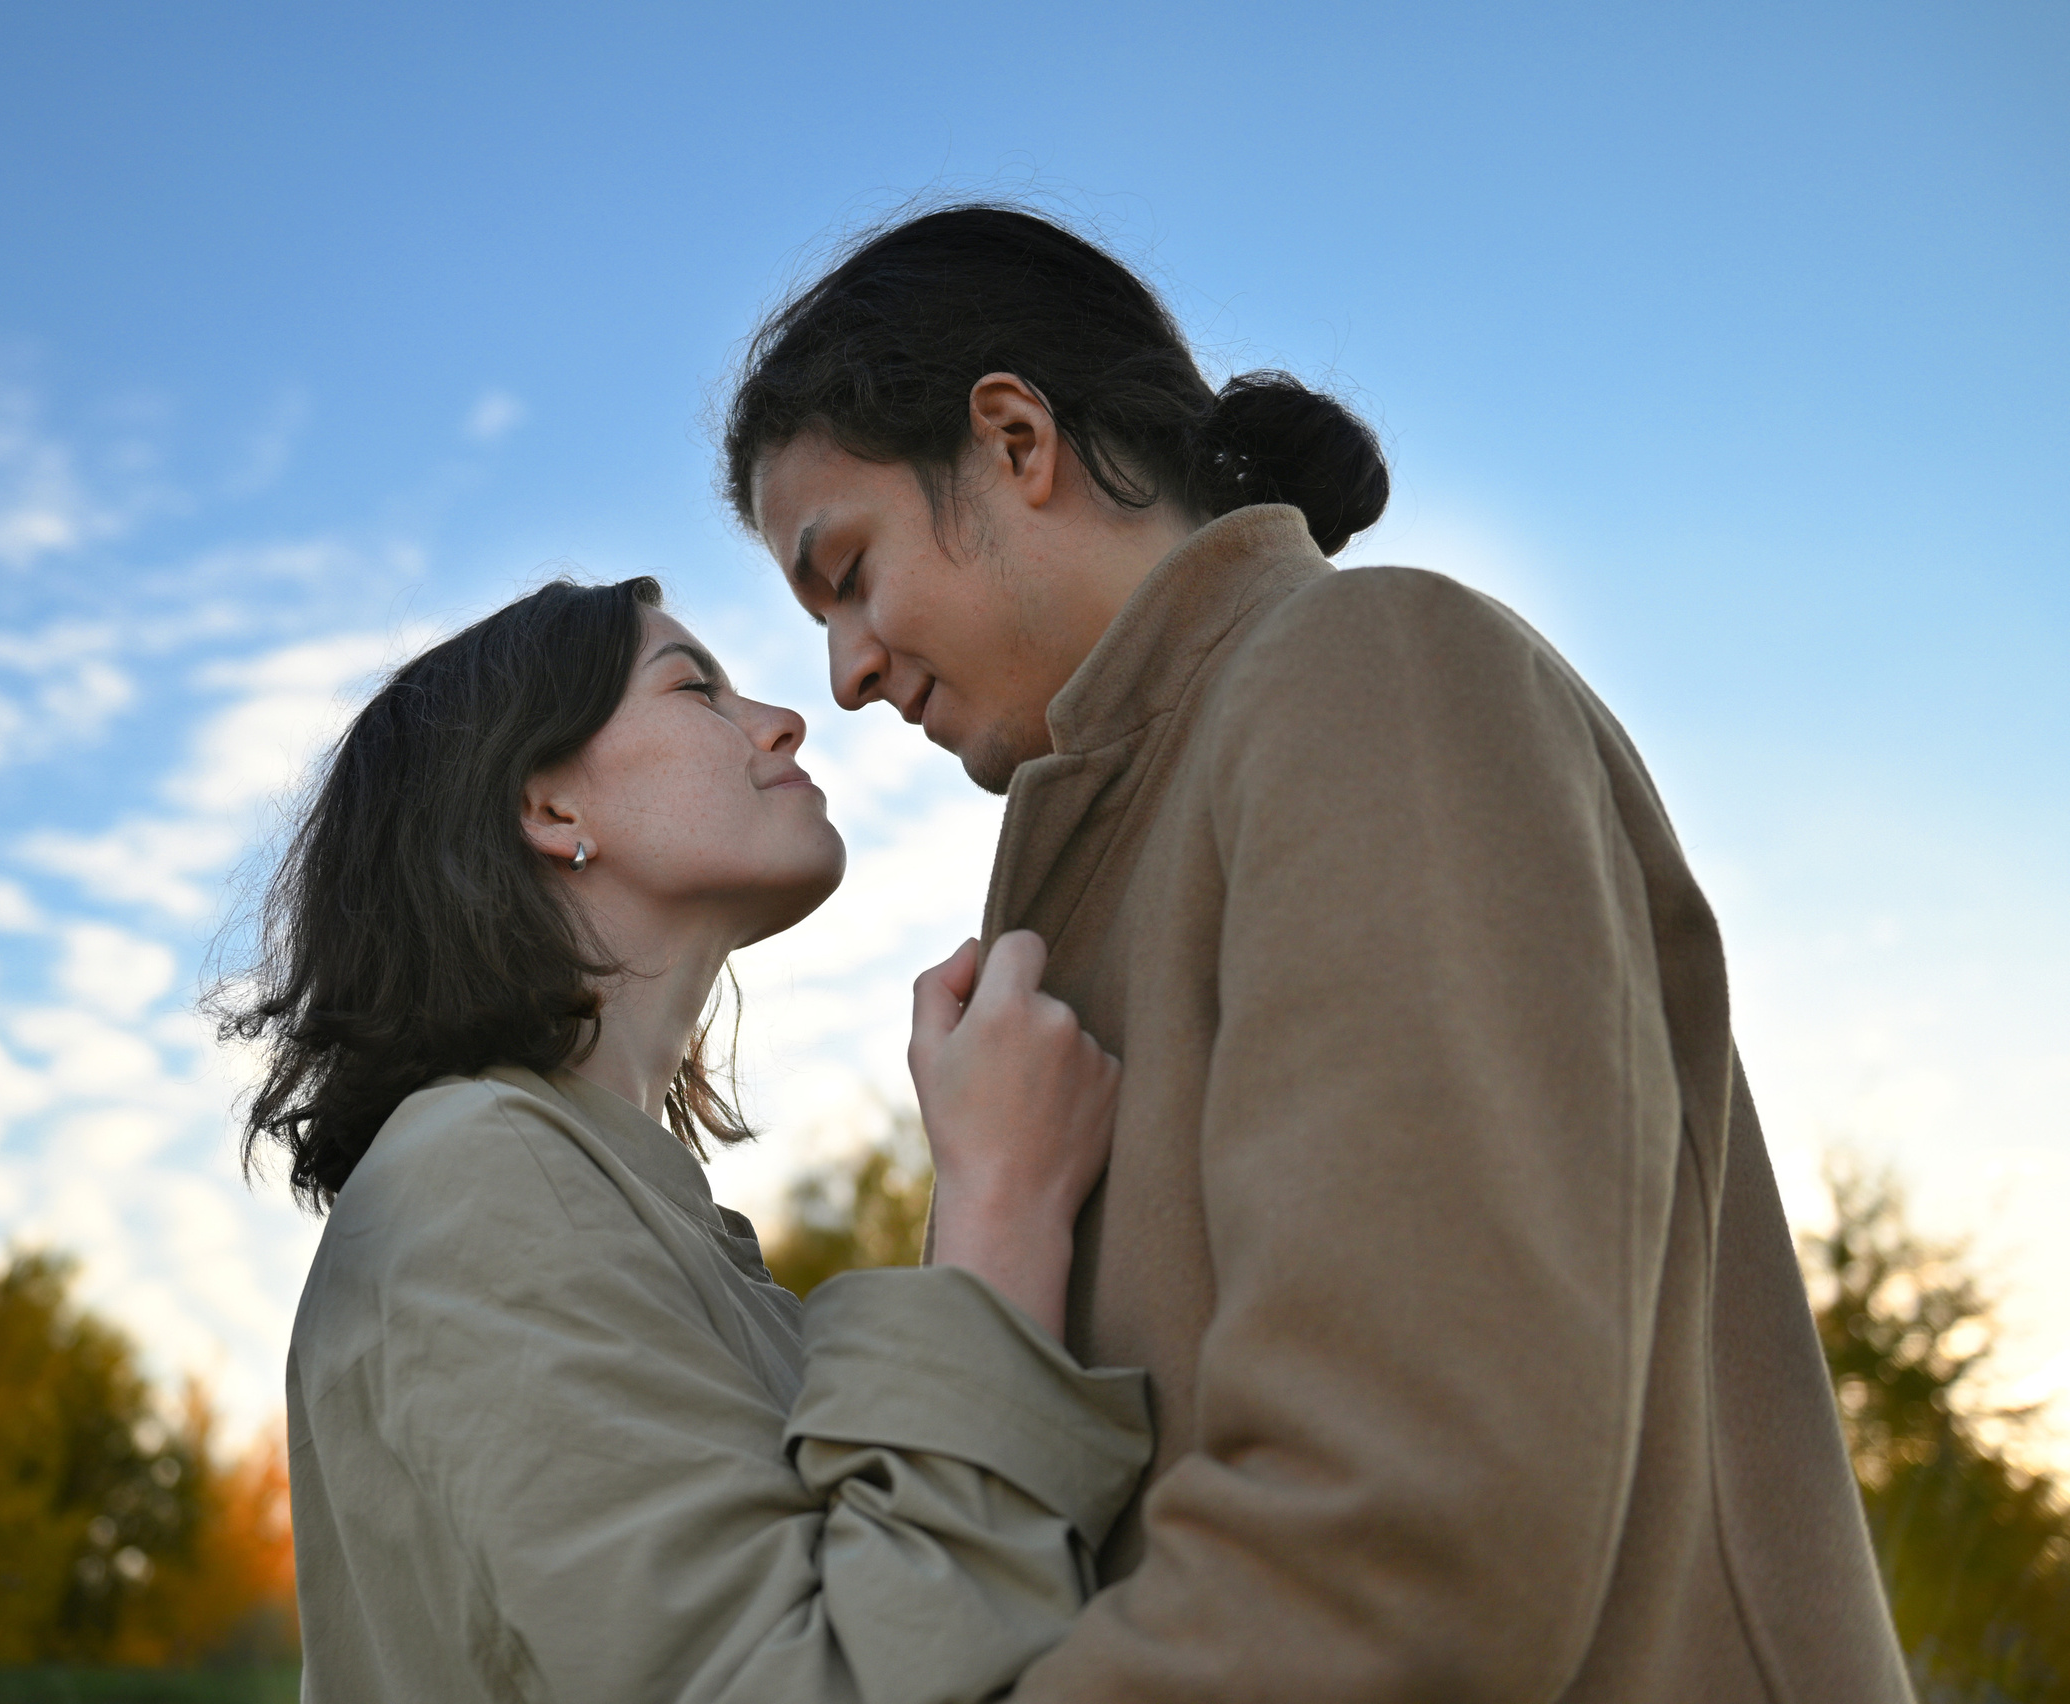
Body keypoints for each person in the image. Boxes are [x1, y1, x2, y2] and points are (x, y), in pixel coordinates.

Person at [725, 205, 1914, 1703]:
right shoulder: (1120, 860)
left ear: (1014, 441)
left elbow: (1409, 1521)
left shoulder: (1368, 677)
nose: (842, 674)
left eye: (845, 572)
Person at [223, 575, 1153, 1703]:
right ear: (553, 810)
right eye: (694, 688)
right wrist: (999, 1205)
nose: (782, 718)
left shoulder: (629, 1204)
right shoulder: (475, 1172)